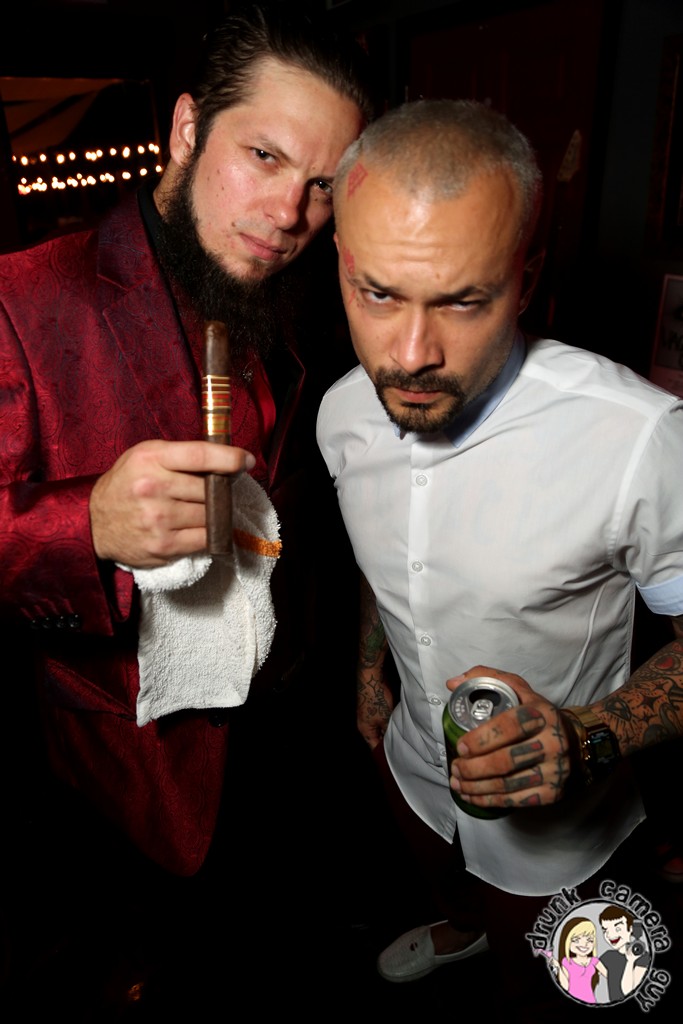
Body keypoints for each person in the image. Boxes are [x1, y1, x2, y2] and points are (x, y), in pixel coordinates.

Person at [0, 3, 372, 1012]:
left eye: (322, 186)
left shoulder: (293, 306)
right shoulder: (21, 297)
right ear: (185, 129)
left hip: (275, 760)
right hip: (103, 792)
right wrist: (83, 524)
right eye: (263, 156)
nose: (288, 213)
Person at [317, 98, 683, 1018]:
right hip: (411, 762)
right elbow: (379, 552)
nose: (410, 355)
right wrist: (368, 674)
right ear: (341, 264)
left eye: (462, 300)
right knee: (445, 883)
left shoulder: (639, 439)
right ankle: (461, 927)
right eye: (378, 294)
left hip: (567, 827)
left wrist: (586, 738)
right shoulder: (340, 411)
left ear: (526, 279)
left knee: (584, 997)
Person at [598, 906, 651, 1002]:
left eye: (617, 929)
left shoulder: (643, 957)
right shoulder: (608, 956)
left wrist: (630, 961)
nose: (610, 935)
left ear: (630, 929)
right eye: (605, 930)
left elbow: (628, 992)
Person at [551, 917, 607, 1004]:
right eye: (576, 940)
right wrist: (558, 967)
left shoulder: (594, 961)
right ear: (567, 941)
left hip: (591, 1001)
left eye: (590, 940)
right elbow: (565, 987)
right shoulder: (566, 962)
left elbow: (610, 976)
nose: (584, 944)